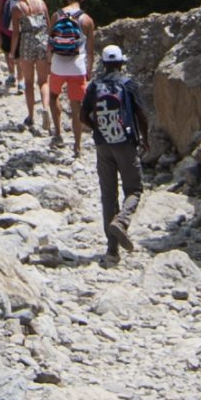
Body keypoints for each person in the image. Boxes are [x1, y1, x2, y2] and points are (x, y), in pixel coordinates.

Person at [81, 44, 147, 258]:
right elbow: (141, 114)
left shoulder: (94, 85)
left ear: (103, 64)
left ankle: (112, 250)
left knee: (108, 195)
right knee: (134, 190)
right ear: (120, 63)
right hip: (125, 143)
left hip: (103, 145)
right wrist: (145, 138)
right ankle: (122, 220)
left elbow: (83, 117)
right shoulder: (128, 84)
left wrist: (98, 130)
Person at [46, 0, 94, 154]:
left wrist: (48, 60)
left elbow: (50, 41)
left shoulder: (57, 15)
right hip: (77, 66)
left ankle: (58, 134)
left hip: (58, 65)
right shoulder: (87, 20)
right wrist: (89, 70)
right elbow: (90, 50)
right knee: (76, 105)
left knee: (53, 96)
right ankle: (77, 145)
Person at [9, 0, 50, 132]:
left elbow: (15, 33)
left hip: (27, 42)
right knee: (43, 81)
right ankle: (45, 108)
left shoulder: (17, 7)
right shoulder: (41, 3)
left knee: (28, 82)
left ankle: (31, 116)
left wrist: (13, 52)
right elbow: (48, 25)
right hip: (42, 41)